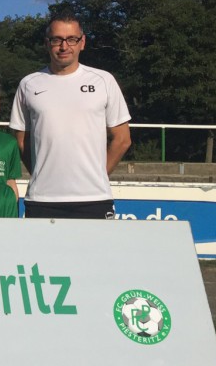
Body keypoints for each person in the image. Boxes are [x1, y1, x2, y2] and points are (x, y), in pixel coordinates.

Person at [9, 12, 132, 220]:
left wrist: (97, 176)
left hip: (94, 199)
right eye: (57, 39)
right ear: (46, 43)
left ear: (82, 42)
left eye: (71, 39)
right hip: (42, 199)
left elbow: (122, 139)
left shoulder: (104, 81)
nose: (64, 46)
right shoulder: (28, 84)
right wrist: (42, 173)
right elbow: (21, 140)